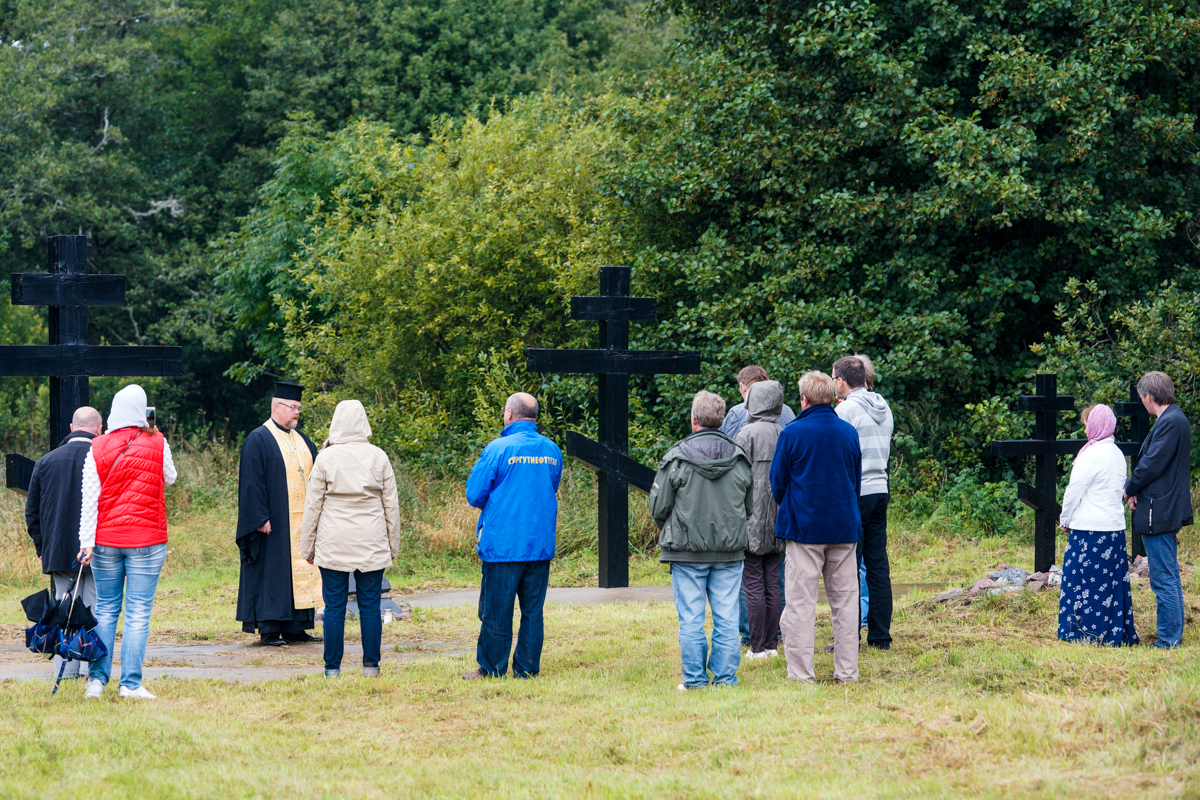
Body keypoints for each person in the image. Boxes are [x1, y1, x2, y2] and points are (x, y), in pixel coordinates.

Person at [77, 385, 177, 700]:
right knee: (137, 611)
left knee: (105, 608)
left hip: (105, 540)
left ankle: (96, 680)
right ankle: (130, 684)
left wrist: (86, 541)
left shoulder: (97, 446)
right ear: (142, 411)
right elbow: (170, 477)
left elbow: (89, 499)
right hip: (147, 539)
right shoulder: (157, 441)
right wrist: (155, 437)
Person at [650, 390, 753, 690]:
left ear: (693, 418)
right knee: (727, 617)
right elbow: (748, 507)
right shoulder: (739, 458)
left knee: (692, 619)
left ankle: (694, 680)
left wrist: (676, 529)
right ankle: (725, 680)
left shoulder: (676, 457)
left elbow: (658, 507)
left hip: (685, 551)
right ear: (721, 420)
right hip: (729, 550)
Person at [463, 393, 562, 679]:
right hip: (539, 543)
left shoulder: (497, 449)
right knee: (533, 611)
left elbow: (474, 494)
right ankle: (527, 669)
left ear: (509, 414)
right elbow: (550, 486)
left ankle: (492, 668)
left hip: (503, 545)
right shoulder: (552, 450)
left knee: (497, 610)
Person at [771, 371, 862, 684]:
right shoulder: (849, 433)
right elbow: (855, 481)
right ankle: (847, 673)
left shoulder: (792, 433)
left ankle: (801, 674)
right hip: (844, 527)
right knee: (846, 603)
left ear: (804, 399)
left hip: (804, 529)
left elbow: (777, 484)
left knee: (800, 604)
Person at [301, 400, 400, 677]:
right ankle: (371, 666)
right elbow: (391, 506)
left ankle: (332, 668)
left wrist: (307, 546)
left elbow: (313, 506)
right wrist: (392, 546)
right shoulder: (378, 457)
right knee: (370, 605)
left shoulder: (325, 458)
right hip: (372, 540)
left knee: (334, 607)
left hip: (333, 541)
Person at [235, 382, 324, 646]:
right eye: (293, 408)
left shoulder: (303, 440)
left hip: (301, 523)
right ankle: (270, 628)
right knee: (273, 572)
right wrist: (259, 517)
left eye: (299, 408)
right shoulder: (259, 439)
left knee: (301, 569)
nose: (297, 413)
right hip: (273, 523)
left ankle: (297, 626)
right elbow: (251, 482)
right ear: (277, 406)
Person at [25, 406, 103, 680]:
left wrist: (43, 547)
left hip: (57, 549)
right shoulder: (104, 459)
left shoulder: (45, 461)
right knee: (93, 609)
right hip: (97, 549)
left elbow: (31, 512)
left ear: (72, 428)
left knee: (63, 607)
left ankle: (66, 669)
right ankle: (90, 667)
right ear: (99, 429)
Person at [720, 365, 794, 646]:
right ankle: (778, 633)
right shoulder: (788, 419)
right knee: (777, 578)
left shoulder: (741, 422)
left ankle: (750, 635)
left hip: (749, 513)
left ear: (747, 390)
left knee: (749, 579)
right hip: (780, 511)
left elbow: (729, 466)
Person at [1057, 404, 1138, 646]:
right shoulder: (1116, 453)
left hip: (1089, 529)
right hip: (1113, 529)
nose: (1085, 430)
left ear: (1094, 426)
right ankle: (1111, 631)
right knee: (1109, 585)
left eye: (1086, 425)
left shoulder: (1090, 455)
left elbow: (1074, 491)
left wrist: (1065, 519)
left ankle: (1083, 631)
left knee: (1082, 581)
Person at [1124, 371, 1193, 649]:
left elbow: (1152, 464)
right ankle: (1171, 635)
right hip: (1163, 506)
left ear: (1148, 397)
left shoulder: (1171, 422)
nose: (1142, 402)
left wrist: (1129, 487)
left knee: (1164, 579)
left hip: (1160, 509)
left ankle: (1168, 639)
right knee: (1169, 577)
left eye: (1142, 398)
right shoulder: (1173, 419)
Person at [832, 355, 894, 650]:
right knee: (878, 564)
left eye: (833, 379)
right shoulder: (883, 405)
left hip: (856, 492)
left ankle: (848, 637)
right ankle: (880, 635)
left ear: (841, 381)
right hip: (880, 487)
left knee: (849, 566)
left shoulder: (845, 412)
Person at [733, 380, 786, 658]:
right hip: (778, 518)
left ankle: (756, 647)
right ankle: (771, 645)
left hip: (750, 517)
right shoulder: (785, 432)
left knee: (752, 581)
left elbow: (735, 478)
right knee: (772, 581)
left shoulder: (745, 434)